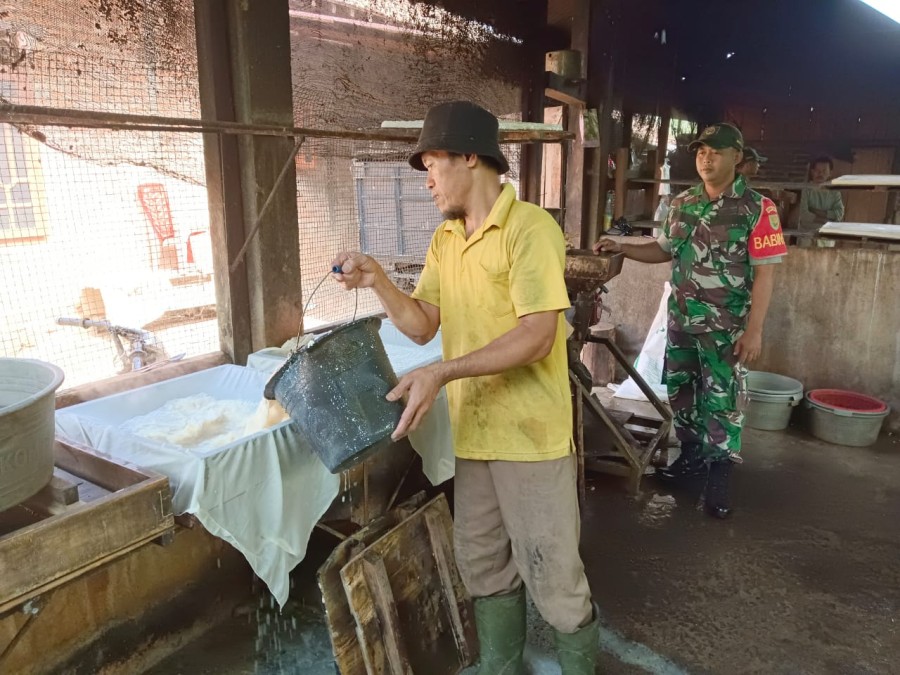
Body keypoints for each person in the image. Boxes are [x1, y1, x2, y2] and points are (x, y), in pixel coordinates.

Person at [331, 101, 598, 674]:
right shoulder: (446, 240)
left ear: (471, 158)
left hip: (530, 440)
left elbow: (537, 335)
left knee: (553, 577)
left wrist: (443, 372)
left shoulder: (529, 229)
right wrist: (378, 278)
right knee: (484, 566)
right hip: (476, 437)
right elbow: (424, 323)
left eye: (433, 163)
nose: (426, 180)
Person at [594, 122, 787, 519]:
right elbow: (663, 249)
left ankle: (718, 476)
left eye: (715, 151)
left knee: (721, 401)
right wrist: (623, 247)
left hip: (726, 328)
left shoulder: (758, 208)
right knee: (682, 394)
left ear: (737, 157)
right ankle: (691, 464)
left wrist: (755, 330)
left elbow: (765, 273)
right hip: (681, 323)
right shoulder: (682, 203)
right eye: (701, 150)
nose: (706, 157)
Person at [791, 155, 844, 230]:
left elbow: (839, 214)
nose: (820, 174)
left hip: (827, 234)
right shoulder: (806, 189)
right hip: (807, 233)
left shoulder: (835, 192)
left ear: (830, 173)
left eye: (824, 171)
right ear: (812, 172)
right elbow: (804, 214)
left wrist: (816, 211)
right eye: (817, 170)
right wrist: (826, 220)